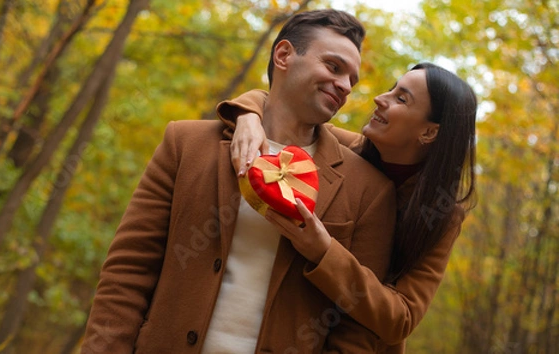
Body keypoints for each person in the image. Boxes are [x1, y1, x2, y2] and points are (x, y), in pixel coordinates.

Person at [81, 9, 398, 354]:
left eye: (352, 80)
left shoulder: (368, 188)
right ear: (284, 55)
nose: (345, 86)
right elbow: (127, 273)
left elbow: (355, 330)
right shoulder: (185, 144)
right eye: (334, 67)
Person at [217, 62, 477, 353]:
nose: (381, 98)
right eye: (391, 89)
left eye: (401, 99)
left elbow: (401, 319)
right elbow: (276, 105)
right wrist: (249, 117)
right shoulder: (340, 149)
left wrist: (324, 252)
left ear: (429, 133)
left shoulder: (441, 216)